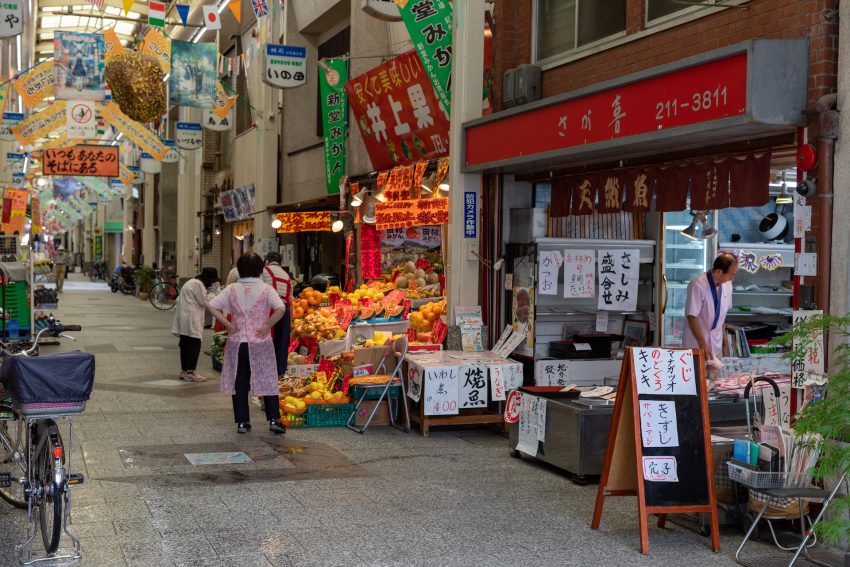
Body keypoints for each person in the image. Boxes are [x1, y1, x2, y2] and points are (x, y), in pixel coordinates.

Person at [207, 253, 287, 435]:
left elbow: (211, 305)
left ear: (239, 269)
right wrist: (267, 325)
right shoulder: (266, 289)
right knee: (267, 378)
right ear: (260, 268)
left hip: (238, 343)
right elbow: (281, 308)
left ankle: (243, 422)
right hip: (260, 342)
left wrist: (227, 324)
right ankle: (274, 420)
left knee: (240, 382)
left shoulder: (231, 289)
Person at [683, 253, 738, 361]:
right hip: (696, 343)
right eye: (731, 274)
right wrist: (702, 344)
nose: (732, 278)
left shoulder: (727, 284)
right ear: (718, 272)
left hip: (716, 342)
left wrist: (724, 336)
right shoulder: (698, 284)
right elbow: (691, 316)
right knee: (698, 371)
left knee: (715, 371)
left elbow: (722, 313)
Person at [172, 267, 220, 382]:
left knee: (185, 344)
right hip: (192, 318)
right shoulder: (198, 284)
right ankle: (191, 372)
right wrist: (213, 293)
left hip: (186, 318)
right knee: (194, 344)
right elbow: (205, 302)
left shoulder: (192, 282)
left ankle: (185, 371)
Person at [261, 252, 292, 376]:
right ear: (281, 262)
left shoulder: (264, 271)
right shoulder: (287, 276)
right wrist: (290, 321)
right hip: (285, 310)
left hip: (271, 309)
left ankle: (267, 371)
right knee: (282, 343)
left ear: (267, 261)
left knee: (268, 339)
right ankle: (280, 372)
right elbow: (290, 300)